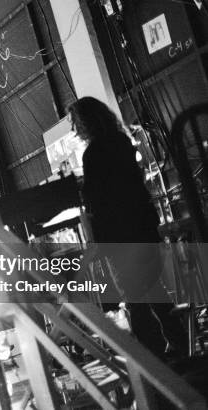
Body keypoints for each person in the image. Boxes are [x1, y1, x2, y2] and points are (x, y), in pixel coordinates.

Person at [67, 96, 186, 359]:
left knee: (134, 297)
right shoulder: (121, 142)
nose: (75, 129)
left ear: (85, 123)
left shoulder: (93, 154)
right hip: (142, 225)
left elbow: (96, 200)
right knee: (155, 289)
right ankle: (178, 344)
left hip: (119, 235)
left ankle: (152, 358)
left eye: (76, 123)